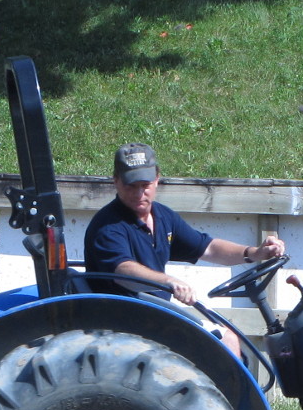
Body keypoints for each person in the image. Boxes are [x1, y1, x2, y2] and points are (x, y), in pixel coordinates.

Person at [84, 143, 286, 356]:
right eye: (131, 186)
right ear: (116, 181)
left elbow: (207, 248)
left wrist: (254, 253)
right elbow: (122, 271)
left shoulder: (163, 217)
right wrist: (168, 281)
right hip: (127, 323)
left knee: (228, 338)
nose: (139, 193)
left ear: (157, 179)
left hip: (153, 317)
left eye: (145, 185)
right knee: (225, 341)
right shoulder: (108, 227)